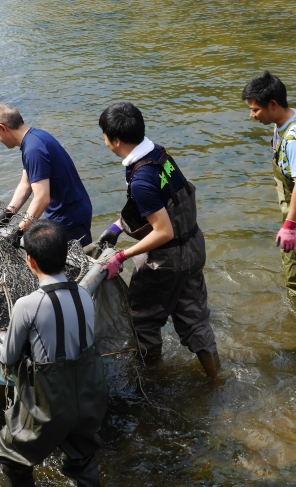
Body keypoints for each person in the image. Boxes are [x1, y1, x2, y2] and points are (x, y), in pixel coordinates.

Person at [96, 102, 220, 379]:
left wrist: (122, 256)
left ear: (115, 140)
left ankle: (150, 380)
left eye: (104, 136)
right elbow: (168, 203)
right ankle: (216, 381)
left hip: (165, 260)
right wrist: (118, 226)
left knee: (142, 319)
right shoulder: (159, 155)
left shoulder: (140, 179)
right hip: (193, 247)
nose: (104, 142)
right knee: (196, 320)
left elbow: (163, 231)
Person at [0, 219, 108, 486]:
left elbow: (9, 357)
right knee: (82, 457)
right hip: (89, 396)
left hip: (50, 403)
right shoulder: (84, 294)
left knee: (10, 453)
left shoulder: (27, 305)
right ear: (65, 256)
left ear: (30, 261)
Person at [242, 71, 296, 301]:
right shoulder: (288, 119)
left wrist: (290, 226)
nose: (252, 115)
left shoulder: (294, 138)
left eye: (255, 109)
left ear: (272, 104)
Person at [0, 104, 94, 247]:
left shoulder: (33, 150)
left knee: (74, 267)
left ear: (2, 128)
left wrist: (20, 231)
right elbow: (26, 184)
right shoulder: (34, 138)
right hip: (71, 211)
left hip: (70, 219)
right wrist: (8, 214)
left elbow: (42, 198)